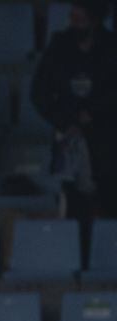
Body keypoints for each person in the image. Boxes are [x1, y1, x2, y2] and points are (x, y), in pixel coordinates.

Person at [32, 0, 117, 227]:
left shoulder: (111, 46)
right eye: (73, 18)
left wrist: (95, 113)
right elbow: (39, 92)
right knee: (74, 205)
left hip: (107, 138)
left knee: (110, 201)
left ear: (95, 19)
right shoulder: (59, 45)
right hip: (69, 137)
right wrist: (65, 120)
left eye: (81, 19)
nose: (74, 24)